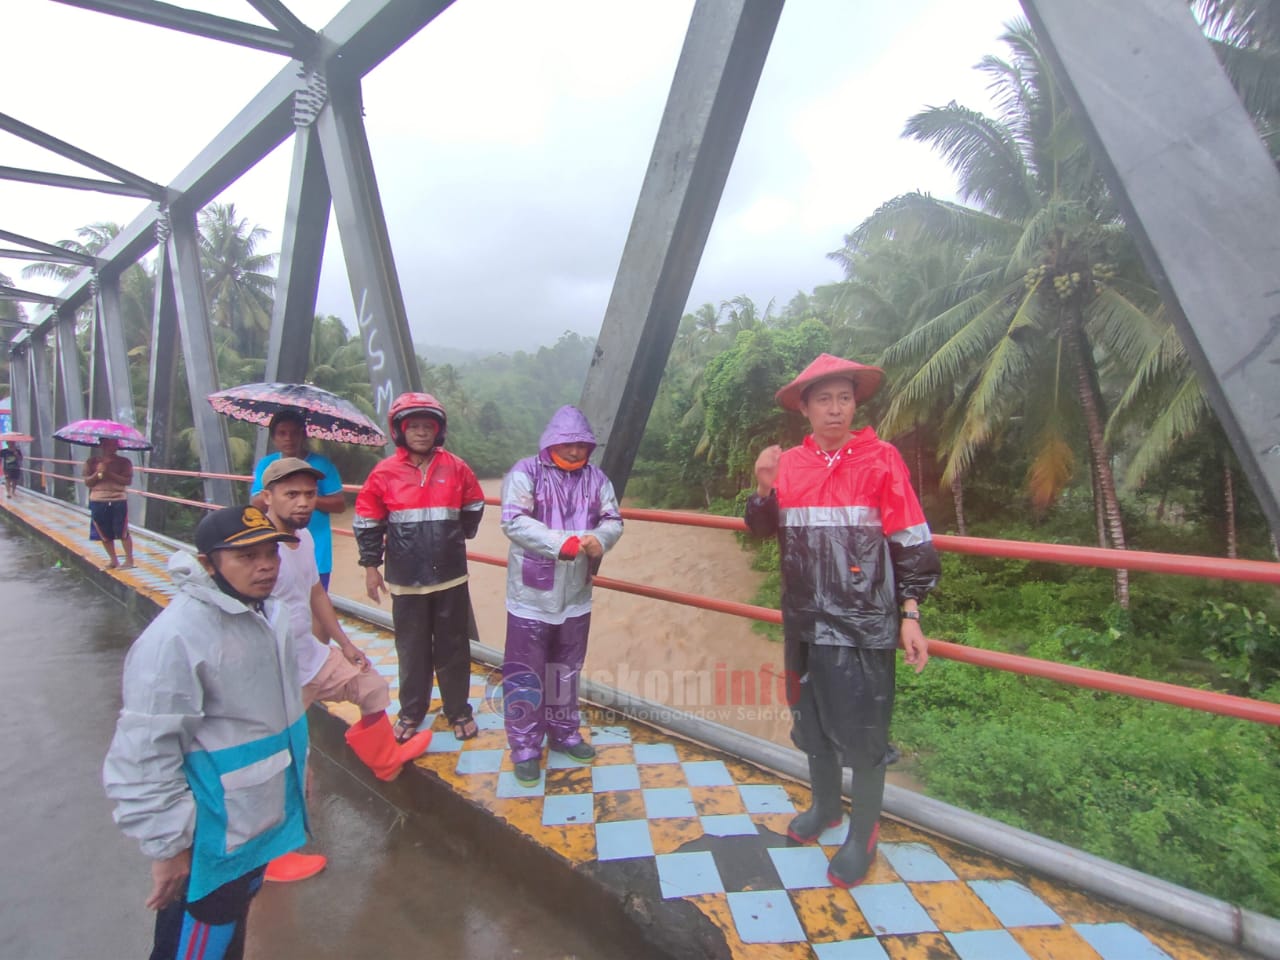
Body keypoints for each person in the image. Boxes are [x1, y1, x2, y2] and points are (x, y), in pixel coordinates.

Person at [744, 353, 940, 888]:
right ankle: (826, 807)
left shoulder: (882, 459)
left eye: (845, 398)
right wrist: (763, 488)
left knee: (864, 730)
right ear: (805, 408)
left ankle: (862, 834)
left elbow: (911, 541)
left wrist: (911, 613)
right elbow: (760, 530)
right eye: (824, 400)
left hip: (863, 620)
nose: (835, 409)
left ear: (855, 405)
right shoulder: (788, 464)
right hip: (804, 618)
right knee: (809, 718)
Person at [103, 505, 309, 960]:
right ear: (207, 563)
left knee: (232, 925)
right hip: (212, 833)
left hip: (254, 820)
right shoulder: (177, 637)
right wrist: (169, 847)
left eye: (271, 553)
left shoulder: (267, 613)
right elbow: (145, 751)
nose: (266, 566)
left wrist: (299, 771)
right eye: (247, 556)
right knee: (199, 938)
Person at [259, 457, 434, 883]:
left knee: (370, 686)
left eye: (309, 494)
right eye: (291, 494)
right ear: (267, 497)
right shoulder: (258, 550)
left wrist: (346, 643)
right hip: (275, 671)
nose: (303, 503)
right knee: (285, 762)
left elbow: (316, 595)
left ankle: (385, 759)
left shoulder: (303, 539)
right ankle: (274, 855)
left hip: (310, 655)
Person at [500, 406, 623, 785]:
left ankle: (564, 731)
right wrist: (560, 543)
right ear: (552, 442)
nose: (574, 451)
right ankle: (525, 746)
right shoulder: (526, 472)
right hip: (531, 597)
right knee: (525, 671)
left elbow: (613, 519)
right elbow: (513, 520)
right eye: (567, 444)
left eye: (581, 445)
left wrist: (599, 539)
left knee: (566, 669)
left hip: (576, 594)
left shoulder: (596, 478)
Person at [354, 392, 485, 744]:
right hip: (406, 579)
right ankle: (411, 711)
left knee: (454, 647)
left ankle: (459, 711)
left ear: (439, 430)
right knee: (411, 650)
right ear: (400, 430)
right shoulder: (384, 472)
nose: (422, 432)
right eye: (414, 426)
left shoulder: (457, 467)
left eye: (428, 426)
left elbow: (474, 504)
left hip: (450, 577)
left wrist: (456, 536)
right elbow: (367, 520)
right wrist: (370, 566)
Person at [250, 409, 345, 590]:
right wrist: (282, 494)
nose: (289, 439)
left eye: (295, 433)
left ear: (303, 435)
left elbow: (339, 504)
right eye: (282, 433)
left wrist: (307, 499)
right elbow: (256, 503)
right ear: (273, 437)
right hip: (276, 546)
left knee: (316, 595)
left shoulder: (322, 465)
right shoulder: (266, 465)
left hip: (317, 549)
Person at [85, 436, 135, 569]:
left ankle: (129, 560)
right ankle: (113, 560)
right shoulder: (92, 462)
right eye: (107, 445)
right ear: (101, 446)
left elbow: (127, 481)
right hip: (98, 499)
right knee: (104, 532)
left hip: (118, 498)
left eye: (114, 445)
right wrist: (97, 473)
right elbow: (88, 482)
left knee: (122, 531)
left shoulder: (124, 462)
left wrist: (109, 473)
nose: (111, 448)